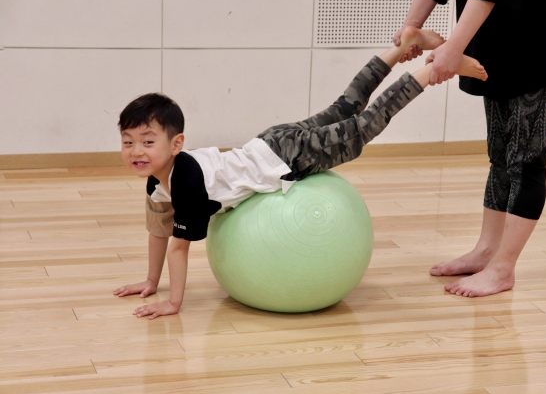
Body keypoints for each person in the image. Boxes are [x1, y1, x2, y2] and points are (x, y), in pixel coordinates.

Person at [113, 27, 488, 319]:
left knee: (366, 125)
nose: (136, 152)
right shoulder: (156, 184)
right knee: (345, 106)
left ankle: (435, 68)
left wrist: (173, 303)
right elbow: (159, 231)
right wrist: (150, 281)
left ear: (176, 144)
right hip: (270, 141)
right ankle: (400, 45)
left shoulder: (187, 185)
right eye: (128, 142)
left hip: (289, 157)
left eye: (148, 142)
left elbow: (180, 247)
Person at [394, 0, 546, 297]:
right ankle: (486, 252)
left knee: (526, 161)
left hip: (545, 37)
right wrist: (411, 28)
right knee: (500, 155)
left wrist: (455, 47)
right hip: (501, 41)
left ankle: (503, 270)